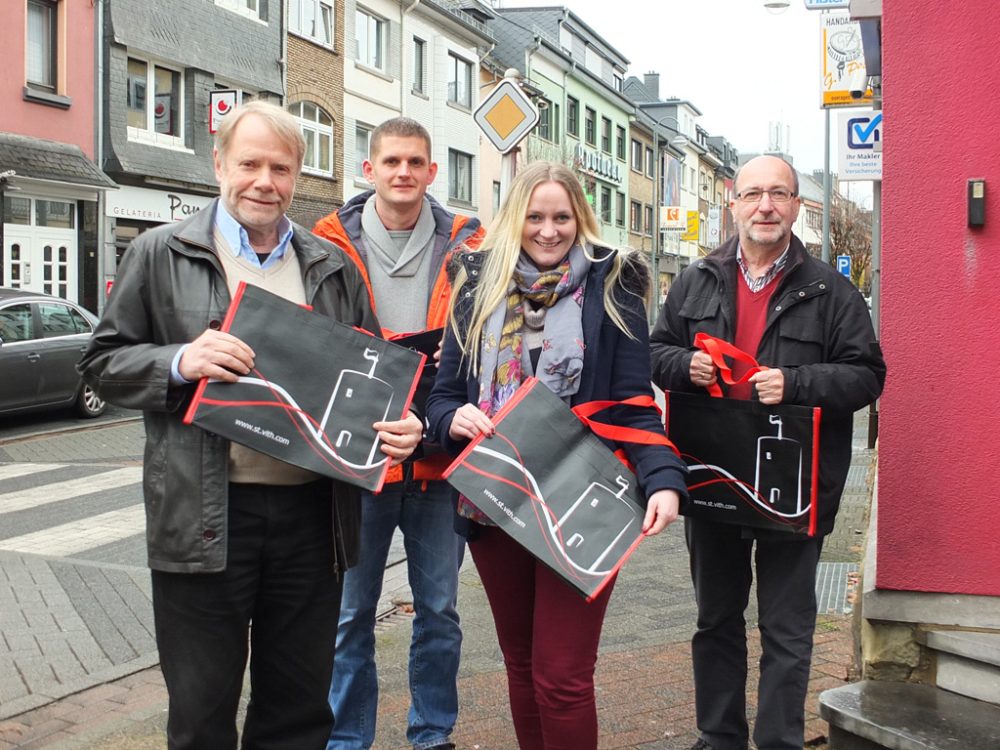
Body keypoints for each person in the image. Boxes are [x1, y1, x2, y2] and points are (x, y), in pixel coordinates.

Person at [78, 101, 423, 750]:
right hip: (204, 515)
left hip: (312, 519)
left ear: (298, 177)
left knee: (297, 712)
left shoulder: (331, 265)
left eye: (281, 168)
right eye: (250, 164)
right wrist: (181, 360)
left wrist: (403, 425)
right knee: (203, 712)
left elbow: (375, 382)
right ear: (219, 165)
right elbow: (100, 365)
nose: (265, 181)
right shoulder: (161, 252)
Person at [425, 161, 688, 750]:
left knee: (562, 676)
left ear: (580, 219)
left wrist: (664, 478)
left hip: (583, 502)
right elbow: (443, 397)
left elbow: (633, 403)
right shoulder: (474, 288)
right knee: (521, 666)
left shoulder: (613, 284)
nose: (548, 230)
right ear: (515, 218)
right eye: (535, 217)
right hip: (496, 501)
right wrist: (451, 419)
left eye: (562, 217)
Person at [649, 154, 886, 750]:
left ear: (797, 207)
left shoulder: (830, 289)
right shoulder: (695, 277)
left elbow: (867, 376)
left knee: (786, 628)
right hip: (712, 475)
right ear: (733, 203)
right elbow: (652, 355)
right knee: (715, 621)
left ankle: (778, 740)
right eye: (753, 194)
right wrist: (685, 365)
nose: (765, 207)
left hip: (793, 482)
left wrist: (797, 384)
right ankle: (719, 737)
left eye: (778, 195)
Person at [312, 117, 483, 750]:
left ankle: (431, 733)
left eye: (415, 162)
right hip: (359, 461)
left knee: (439, 612)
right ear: (370, 169)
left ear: (432, 172)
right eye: (391, 162)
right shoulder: (327, 246)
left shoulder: (469, 248)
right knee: (349, 615)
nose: (403, 173)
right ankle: (347, 740)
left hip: (439, 464)